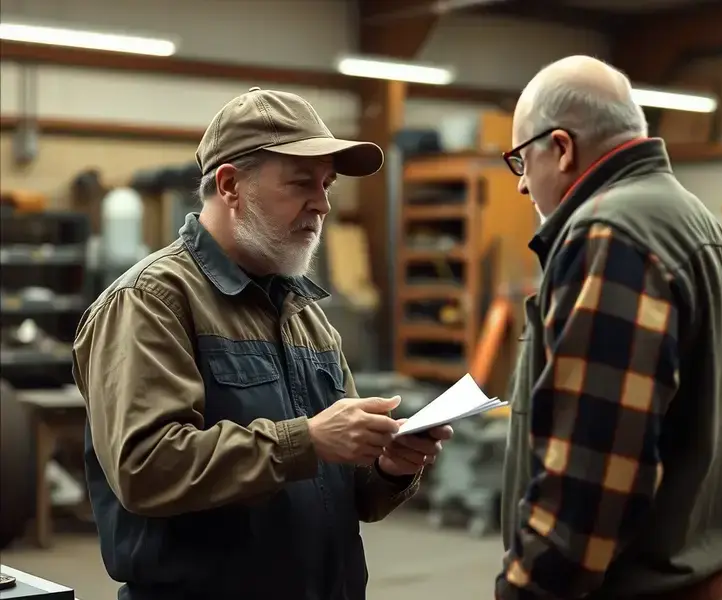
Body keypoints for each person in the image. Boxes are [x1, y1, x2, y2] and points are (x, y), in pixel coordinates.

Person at [72, 87, 453, 600]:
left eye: (326, 185)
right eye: (301, 183)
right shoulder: (151, 302)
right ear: (229, 186)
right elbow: (146, 468)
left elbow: (348, 491)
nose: (321, 205)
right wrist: (307, 440)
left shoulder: (307, 316)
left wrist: (387, 466)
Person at [495, 56, 722, 600]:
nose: (523, 186)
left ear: (562, 148)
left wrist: (524, 590)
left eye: (522, 161)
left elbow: (591, 480)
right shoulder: (691, 217)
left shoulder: (609, 234)